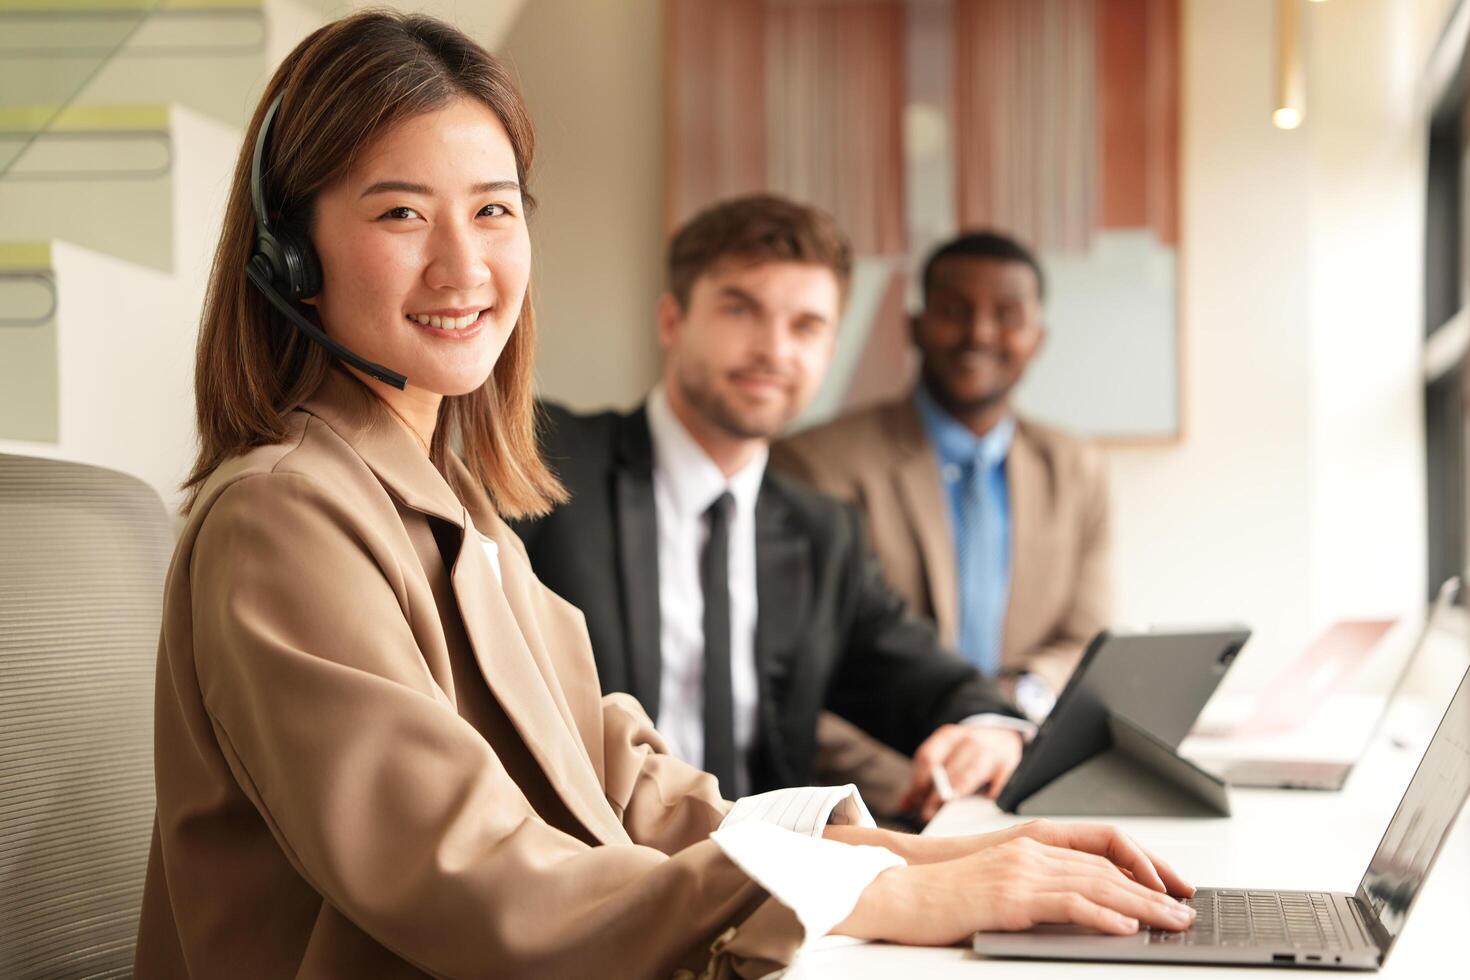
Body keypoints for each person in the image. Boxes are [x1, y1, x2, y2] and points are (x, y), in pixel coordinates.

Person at [135, 13, 1194, 979]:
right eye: (402, 211)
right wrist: (897, 889)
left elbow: (626, 784)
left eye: (494, 209)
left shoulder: (458, 504)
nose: (464, 264)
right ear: (288, 255)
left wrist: (939, 855)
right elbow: (469, 875)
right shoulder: (284, 513)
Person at [517, 197, 1027, 821]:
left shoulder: (823, 532)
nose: (774, 350)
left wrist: (990, 728)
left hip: (768, 884)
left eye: (806, 326)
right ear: (672, 320)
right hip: (584, 869)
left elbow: (926, 679)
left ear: (831, 348)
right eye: (740, 309)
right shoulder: (547, 463)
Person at [774, 231, 1112, 721]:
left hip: (1026, 762)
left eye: (1008, 315)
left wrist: (1012, 710)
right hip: (878, 785)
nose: (979, 333)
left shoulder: (1078, 469)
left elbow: (1087, 644)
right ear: (914, 326)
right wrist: (925, 781)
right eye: (954, 310)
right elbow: (801, 675)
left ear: (1038, 339)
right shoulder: (815, 464)